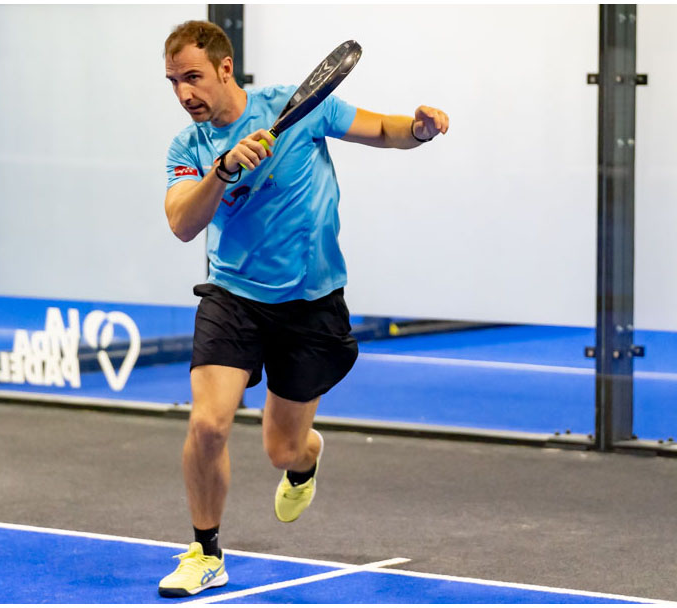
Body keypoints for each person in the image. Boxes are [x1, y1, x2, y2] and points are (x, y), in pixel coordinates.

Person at [158, 20, 449, 598]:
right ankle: (206, 553)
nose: (184, 93)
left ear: (224, 67)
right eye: (173, 82)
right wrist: (223, 169)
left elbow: (383, 130)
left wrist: (418, 129)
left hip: (310, 304)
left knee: (282, 449)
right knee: (208, 424)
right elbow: (182, 223)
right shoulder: (189, 147)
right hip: (233, 297)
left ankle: (305, 456)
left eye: (192, 76)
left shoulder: (299, 106)